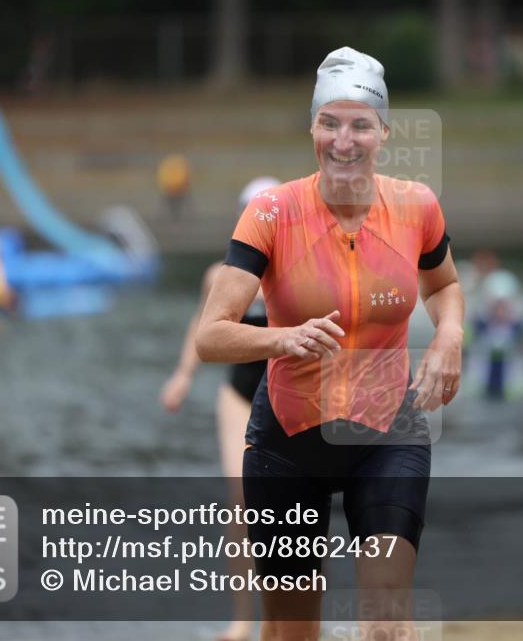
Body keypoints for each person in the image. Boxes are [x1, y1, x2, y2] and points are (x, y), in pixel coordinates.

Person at [195, 47, 464, 641]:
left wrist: (448, 333)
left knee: (387, 619)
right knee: (293, 632)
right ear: (312, 129)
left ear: (383, 133)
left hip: (387, 431)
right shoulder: (270, 212)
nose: (344, 140)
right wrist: (282, 337)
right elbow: (210, 338)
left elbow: (443, 286)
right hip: (288, 442)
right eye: (330, 123)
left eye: (360, 125)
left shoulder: (416, 206)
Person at [160, 176, 279, 641]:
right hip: (238, 397)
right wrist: (182, 376)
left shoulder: (298, 273)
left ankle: (281, 612)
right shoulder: (221, 275)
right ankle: (241, 619)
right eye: (252, 213)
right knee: (241, 504)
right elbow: (201, 327)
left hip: (289, 396)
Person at [466, 269, 523, 401]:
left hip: (512, 393)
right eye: (496, 304)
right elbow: (458, 354)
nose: (500, 309)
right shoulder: (476, 325)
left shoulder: (520, 326)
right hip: (479, 392)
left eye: (504, 303)